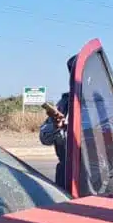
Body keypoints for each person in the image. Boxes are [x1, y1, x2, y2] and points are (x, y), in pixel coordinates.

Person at [38, 56, 77, 187]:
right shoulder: (64, 103)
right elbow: (44, 139)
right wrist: (57, 126)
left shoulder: (105, 102)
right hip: (66, 172)